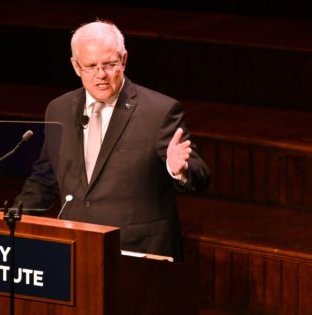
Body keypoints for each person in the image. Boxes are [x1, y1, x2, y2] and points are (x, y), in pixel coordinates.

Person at [15, 20, 210, 261]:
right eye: (91, 66)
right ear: (76, 66)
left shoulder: (159, 111)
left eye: (109, 64)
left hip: (137, 251)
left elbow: (200, 174)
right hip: (76, 245)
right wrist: (12, 219)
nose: (101, 75)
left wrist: (178, 169)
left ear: (124, 60)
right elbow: (46, 177)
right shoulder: (59, 109)